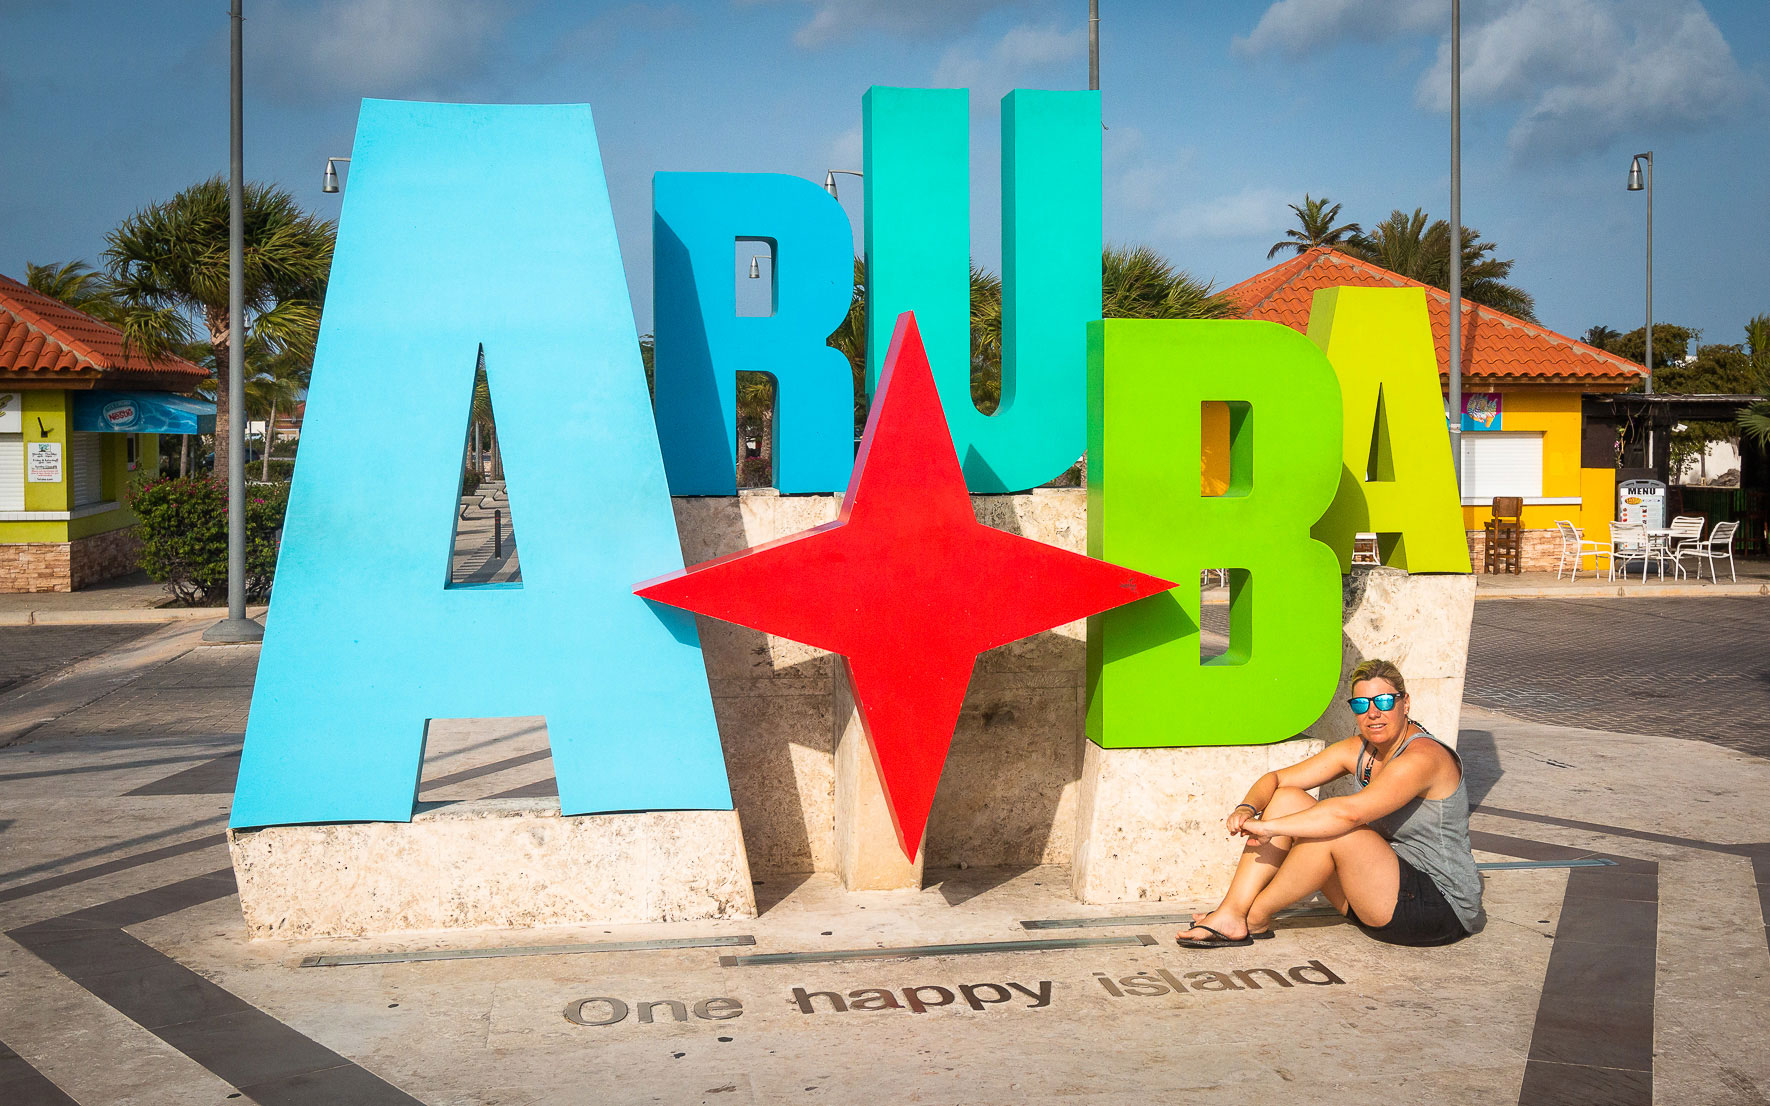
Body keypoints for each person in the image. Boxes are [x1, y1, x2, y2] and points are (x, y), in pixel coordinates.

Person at [1175, 658, 1484, 948]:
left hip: (1437, 907)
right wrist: (1248, 808)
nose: (1372, 712)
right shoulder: (1360, 750)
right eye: (1361, 704)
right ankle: (1232, 911)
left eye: (1385, 701)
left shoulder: (1421, 758)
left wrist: (1270, 827)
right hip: (1376, 893)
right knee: (1287, 798)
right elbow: (1277, 780)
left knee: (1335, 829)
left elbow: (1347, 814)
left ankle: (1253, 917)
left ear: (1406, 703)